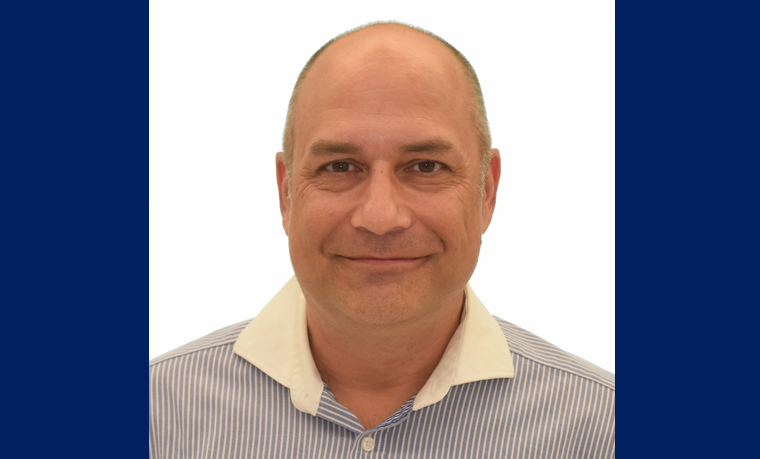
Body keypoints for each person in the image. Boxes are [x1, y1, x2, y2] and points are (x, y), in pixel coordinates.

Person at [149, 21, 615, 458]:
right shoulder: (156, 418)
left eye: (426, 167)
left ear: (486, 191)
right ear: (286, 192)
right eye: (339, 167)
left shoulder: (604, 430)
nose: (380, 217)